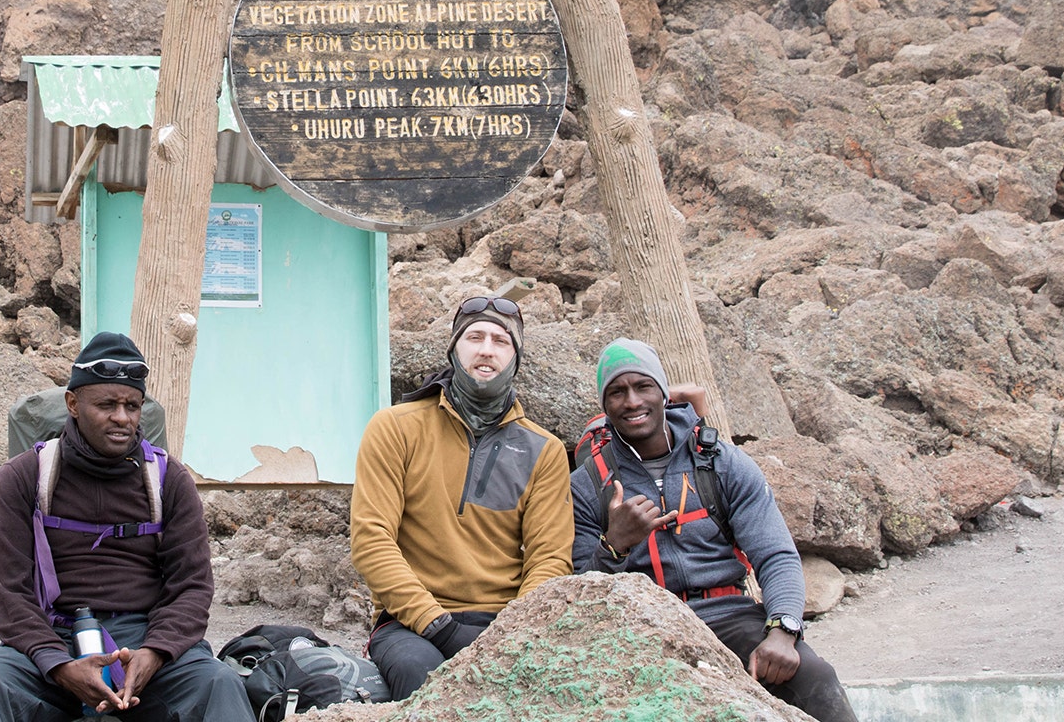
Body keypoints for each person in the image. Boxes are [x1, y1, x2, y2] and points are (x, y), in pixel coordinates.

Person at [0, 332, 252, 722]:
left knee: (217, 684)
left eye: (132, 406)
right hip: (55, 639)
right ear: (73, 404)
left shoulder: (169, 480)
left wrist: (156, 652)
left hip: (144, 642)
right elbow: (12, 594)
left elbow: (191, 587)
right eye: (107, 405)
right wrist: (58, 664)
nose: (122, 418)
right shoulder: (24, 477)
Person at [570, 339, 858, 722]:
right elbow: (575, 594)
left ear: (662, 393)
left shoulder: (721, 462)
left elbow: (776, 555)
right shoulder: (587, 484)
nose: (632, 402)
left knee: (815, 677)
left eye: (643, 387)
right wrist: (615, 545)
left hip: (729, 615)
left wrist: (783, 631)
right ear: (604, 407)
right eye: (617, 392)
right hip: (638, 627)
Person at [349, 294, 575, 699]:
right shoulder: (395, 428)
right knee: (423, 676)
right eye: (475, 337)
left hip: (506, 622)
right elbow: (371, 541)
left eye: (501, 341)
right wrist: (439, 625)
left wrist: (515, 631)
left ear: (516, 358)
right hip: (410, 623)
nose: (487, 350)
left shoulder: (545, 450)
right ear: (454, 349)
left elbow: (550, 558)